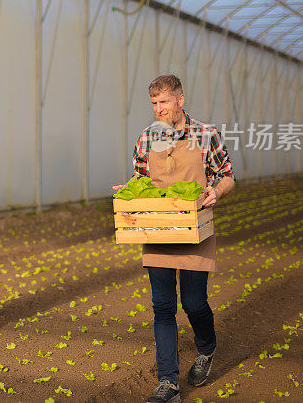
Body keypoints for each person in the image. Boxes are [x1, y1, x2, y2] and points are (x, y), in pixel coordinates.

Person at [114, 75, 235, 403]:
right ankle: (168, 383)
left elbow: (227, 176)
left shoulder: (206, 134)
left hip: (194, 230)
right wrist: (129, 192)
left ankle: (207, 348)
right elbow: (141, 178)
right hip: (158, 230)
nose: (158, 109)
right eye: (154, 103)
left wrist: (215, 192)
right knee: (163, 306)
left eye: (164, 102)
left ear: (180, 100)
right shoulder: (145, 138)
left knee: (194, 303)